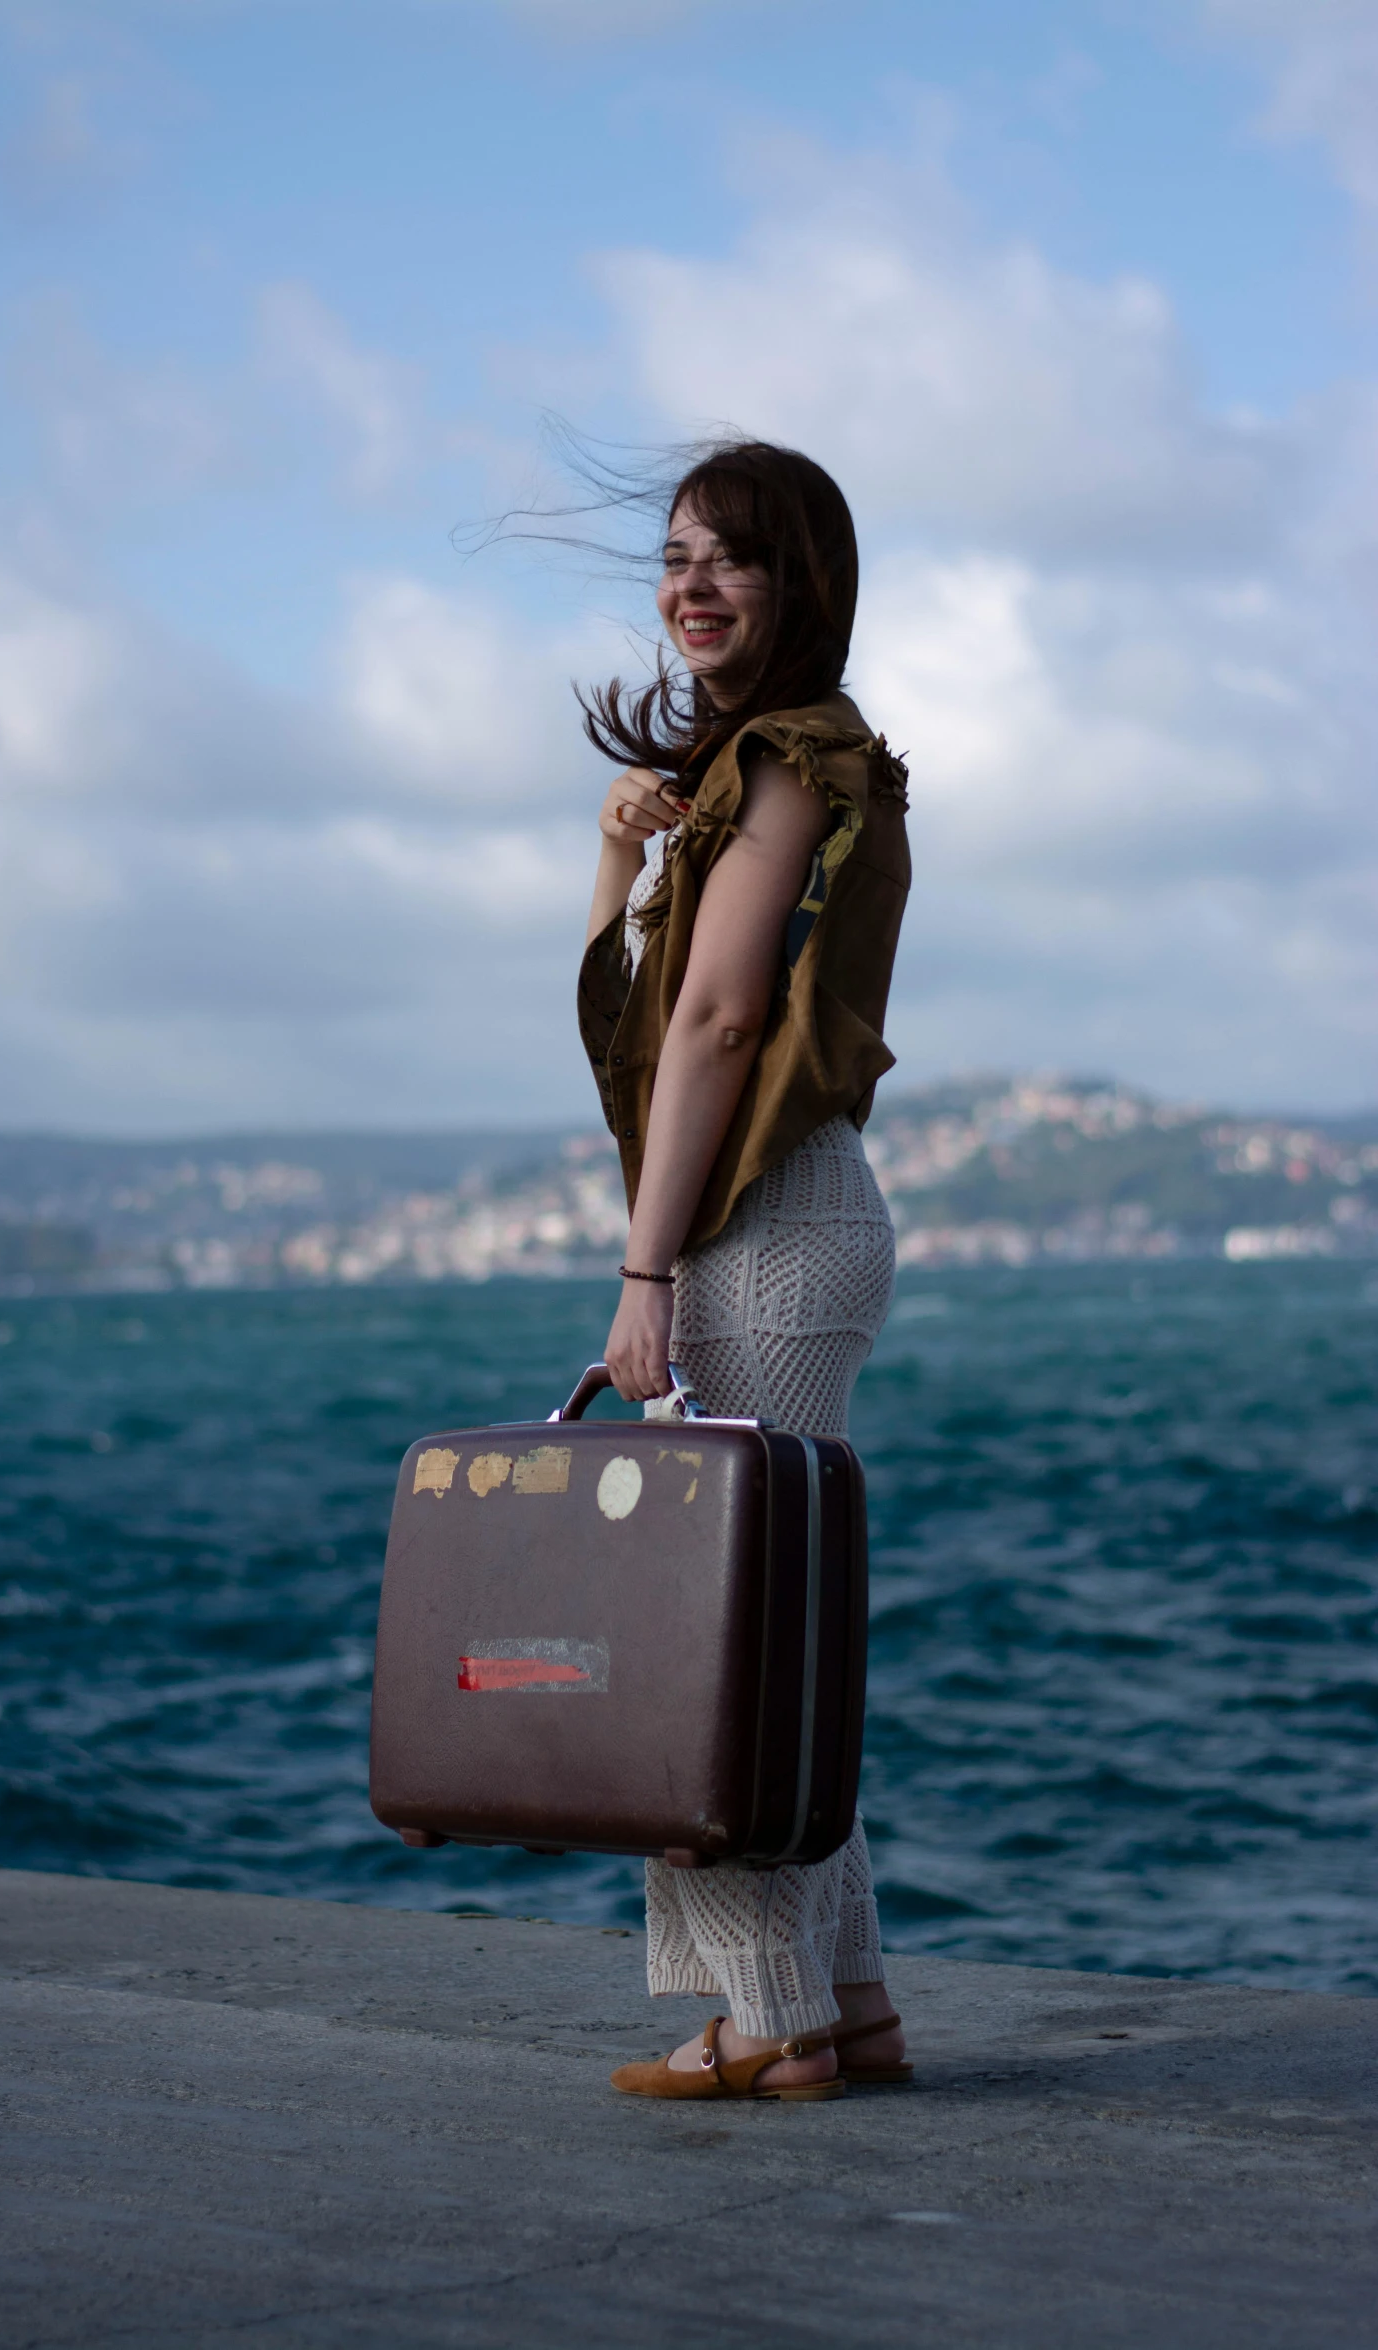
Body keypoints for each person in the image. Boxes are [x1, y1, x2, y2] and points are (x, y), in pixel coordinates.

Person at [575, 438, 912, 2102]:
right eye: (676, 555)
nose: (690, 586)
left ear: (804, 585)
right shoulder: (778, 768)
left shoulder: (783, 761)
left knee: (700, 1639)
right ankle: (844, 2003)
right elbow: (675, 1005)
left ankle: (762, 2024)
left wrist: (646, 1270)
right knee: (769, 1629)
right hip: (794, 1216)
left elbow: (710, 1023)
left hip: (753, 1230)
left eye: (734, 560)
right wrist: (618, 857)